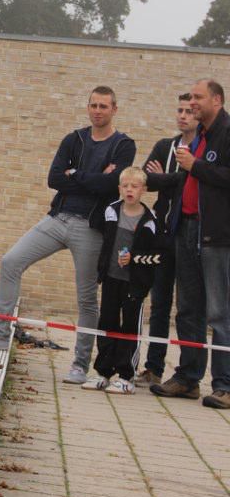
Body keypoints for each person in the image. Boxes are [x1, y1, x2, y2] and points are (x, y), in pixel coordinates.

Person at [0, 86, 136, 385]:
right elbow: (54, 179)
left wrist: (76, 175)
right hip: (57, 219)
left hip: (90, 228)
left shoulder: (123, 145)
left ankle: (80, 365)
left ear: (114, 109)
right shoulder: (75, 139)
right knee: (10, 261)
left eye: (104, 106)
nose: (97, 110)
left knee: (85, 298)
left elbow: (111, 186)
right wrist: (91, 178)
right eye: (93, 105)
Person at [151, 79, 230, 409]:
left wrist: (196, 166)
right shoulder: (199, 136)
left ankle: (225, 385)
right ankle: (188, 378)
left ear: (217, 100)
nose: (193, 103)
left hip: (215, 235)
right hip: (185, 229)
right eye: (190, 98)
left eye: (198, 98)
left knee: (219, 313)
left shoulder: (226, 133)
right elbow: (180, 179)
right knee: (188, 310)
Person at [135, 93, 197, 385]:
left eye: (189, 111)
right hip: (162, 236)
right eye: (180, 110)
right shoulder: (165, 146)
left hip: (189, 235)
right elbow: (146, 181)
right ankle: (154, 367)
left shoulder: (203, 149)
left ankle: (188, 374)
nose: (183, 115)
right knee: (159, 303)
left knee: (188, 308)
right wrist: (178, 176)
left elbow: (201, 179)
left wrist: (169, 177)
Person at [82, 167, 157, 394]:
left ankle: (127, 375)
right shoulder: (111, 211)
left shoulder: (150, 221)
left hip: (134, 283)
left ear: (143, 190)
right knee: (107, 323)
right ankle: (103, 371)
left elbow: (157, 256)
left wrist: (134, 258)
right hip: (112, 278)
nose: (129, 190)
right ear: (119, 189)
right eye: (125, 186)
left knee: (129, 327)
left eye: (134, 186)